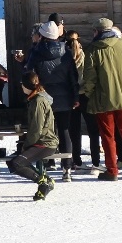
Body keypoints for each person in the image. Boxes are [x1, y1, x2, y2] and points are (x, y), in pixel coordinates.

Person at [82, 17, 122, 181]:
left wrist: (85, 93)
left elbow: (89, 79)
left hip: (103, 100)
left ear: (97, 31)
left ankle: (112, 170)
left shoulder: (93, 50)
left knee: (108, 136)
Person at [22, 18, 77, 181]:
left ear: (43, 36)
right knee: (65, 130)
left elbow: (30, 75)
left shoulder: (36, 53)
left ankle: (45, 164)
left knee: (44, 131)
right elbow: (73, 77)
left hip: (43, 98)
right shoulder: (66, 52)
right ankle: (67, 167)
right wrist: (75, 96)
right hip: (65, 96)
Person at [6, 72, 60, 200]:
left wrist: (27, 145)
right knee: (12, 162)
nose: (21, 87)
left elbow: (37, 128)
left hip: (45, 143)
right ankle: (45, 181)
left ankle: (43, 183)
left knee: (16, 164)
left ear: (27, 85)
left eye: (22, 84)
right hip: (42, 141)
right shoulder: (36, 99)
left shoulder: (38, 101)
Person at [66, 29, 100, 170]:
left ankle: (76, 159)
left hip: (71, 96)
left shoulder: (65, 60)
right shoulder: (86, 57)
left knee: (74, 130)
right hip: (86, 95)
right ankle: (96, 161)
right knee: (93, 129)